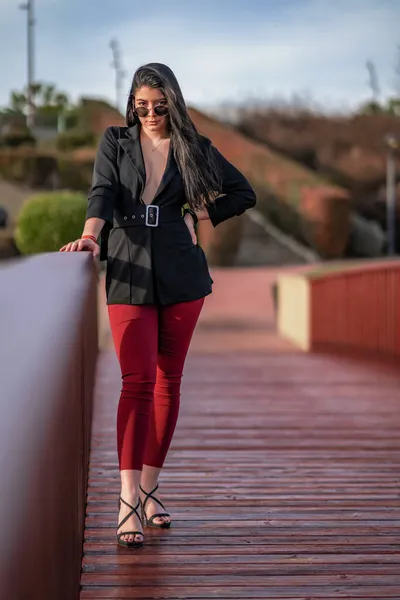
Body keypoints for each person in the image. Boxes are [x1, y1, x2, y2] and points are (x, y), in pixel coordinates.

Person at [60, 62, 256, 548]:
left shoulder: (195, 147)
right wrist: (89, 237)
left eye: (159, 105)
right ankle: (127, 501)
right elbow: (102, 191)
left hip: (182, 271)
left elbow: (243, 192)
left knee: (169, 381)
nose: (149, 114)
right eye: (141, 105)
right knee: (137, 382)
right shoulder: (115, 140)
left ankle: (150, 490)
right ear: (132, 103)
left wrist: (200, 211)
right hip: (127, 265)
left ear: (173, 103)